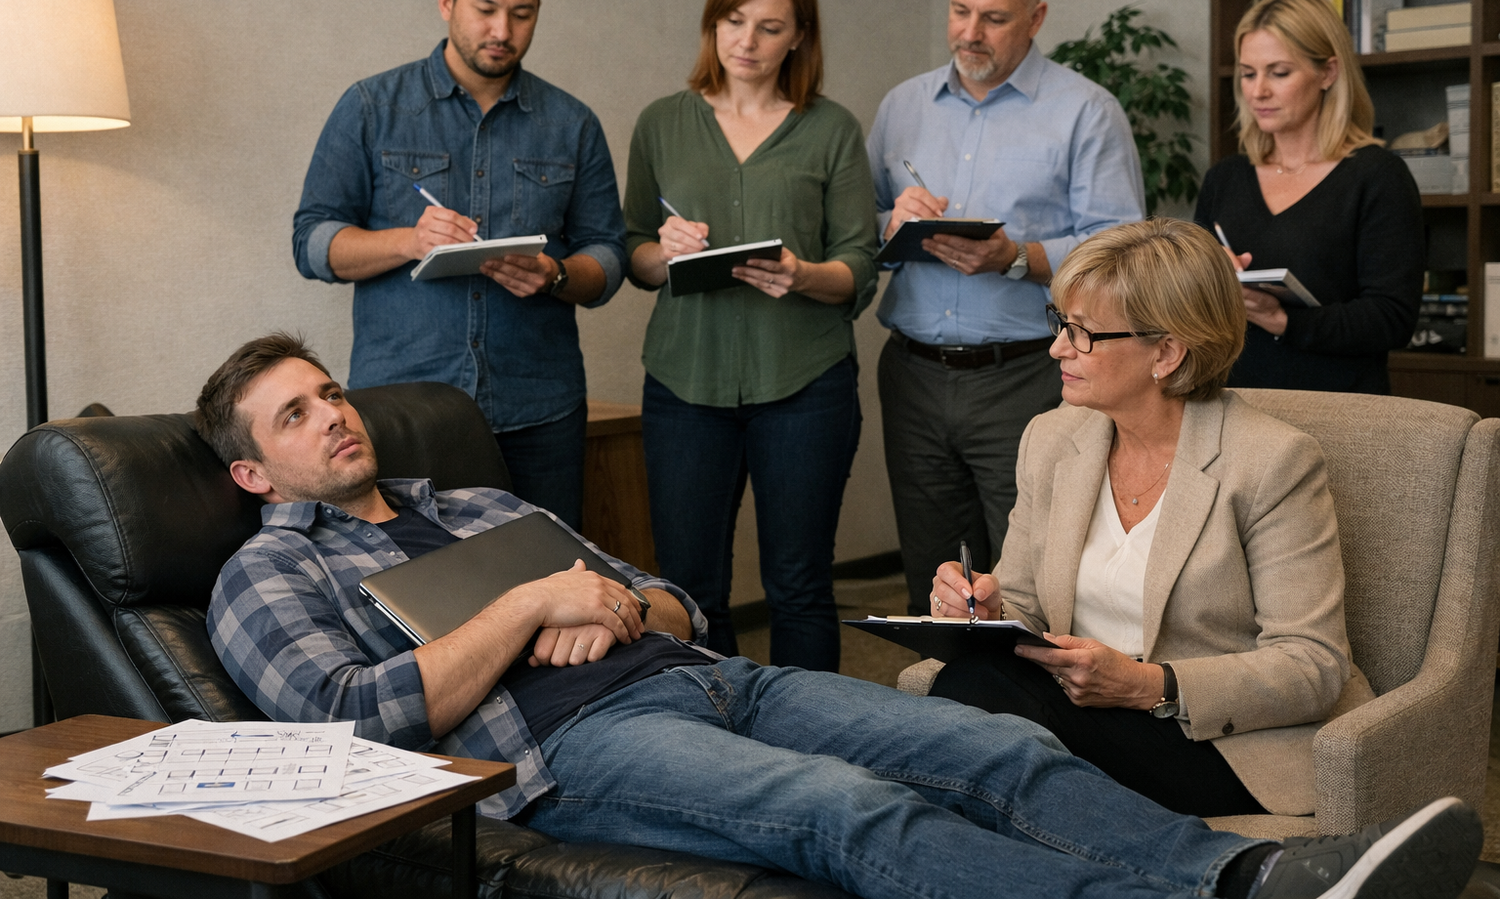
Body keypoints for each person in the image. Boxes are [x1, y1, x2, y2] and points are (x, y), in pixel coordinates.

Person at [197, 332, 1479, 899]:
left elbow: (676, 595)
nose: (336, 416)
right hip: (562, 754)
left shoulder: (473, 498)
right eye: (296, 417)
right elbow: (356, 724)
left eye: (330, 392)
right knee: (847, 812)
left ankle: (1250, 872)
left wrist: (618, 600)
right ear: (254, 470)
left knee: (997, 745)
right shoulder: (268, 576)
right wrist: (538, 602)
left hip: (704, 673)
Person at [927, 218, 1376, 820]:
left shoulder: (1271, 462)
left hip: (1212, 740)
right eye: (1060, 324)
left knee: (975, 706)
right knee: (970, 687)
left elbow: (1313, 664)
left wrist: (1147, 684)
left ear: (1166, 352)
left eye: (1083, 334)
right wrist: (981, 608)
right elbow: (1025, 605)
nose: (1058, 347)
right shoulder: (1052, 438)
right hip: (1080, 712)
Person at [291, 0, 628, 529]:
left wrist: (556, 274)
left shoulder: (572, 123)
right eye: (486, 9)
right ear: (448, 3)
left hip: (539, 409)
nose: (503, 31)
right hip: (404, 410)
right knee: (424, 589)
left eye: (522, 14)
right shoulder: (372, 107)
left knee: (552, 576)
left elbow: (609, 255)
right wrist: (409, 240)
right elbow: (313, 243)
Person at [866, 0, 1146, 615]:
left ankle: (1031, 718)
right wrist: (891, 220)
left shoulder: (1087, 112)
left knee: (1032, 579)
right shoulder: (902, 107)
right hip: (915, 375)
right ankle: (941, 714)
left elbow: (1119, 253)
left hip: (1027, 376)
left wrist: (1016, 257)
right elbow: (856, 227)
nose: (969, 32)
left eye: (992, 18)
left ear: (1036, 17)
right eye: (959, 11)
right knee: (933, 578)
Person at [622, 0, 878, 669]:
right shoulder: (661, 124)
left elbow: (860, 266)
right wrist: (662, 252)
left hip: (804, 384)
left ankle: (808, 742)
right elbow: (633, 251)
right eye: (733, 21)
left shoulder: (830, 130)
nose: (747, 42)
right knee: (690, 589)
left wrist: (800, 273)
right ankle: (722, 746)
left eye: (770, 27)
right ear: (713, 23)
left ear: (799, 36)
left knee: (798, 584)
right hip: (684, 385)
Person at [1194, 0, 1423, 394]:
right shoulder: (1225, 178)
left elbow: (1392, 318)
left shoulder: (1377, 176)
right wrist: (1206, 278)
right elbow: (1188, 312)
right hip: (1234, 403)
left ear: (1328, 73)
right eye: (1248, 74)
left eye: (1278, 73)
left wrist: (1283, 321)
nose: (1258, 91)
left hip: (1339, 409)